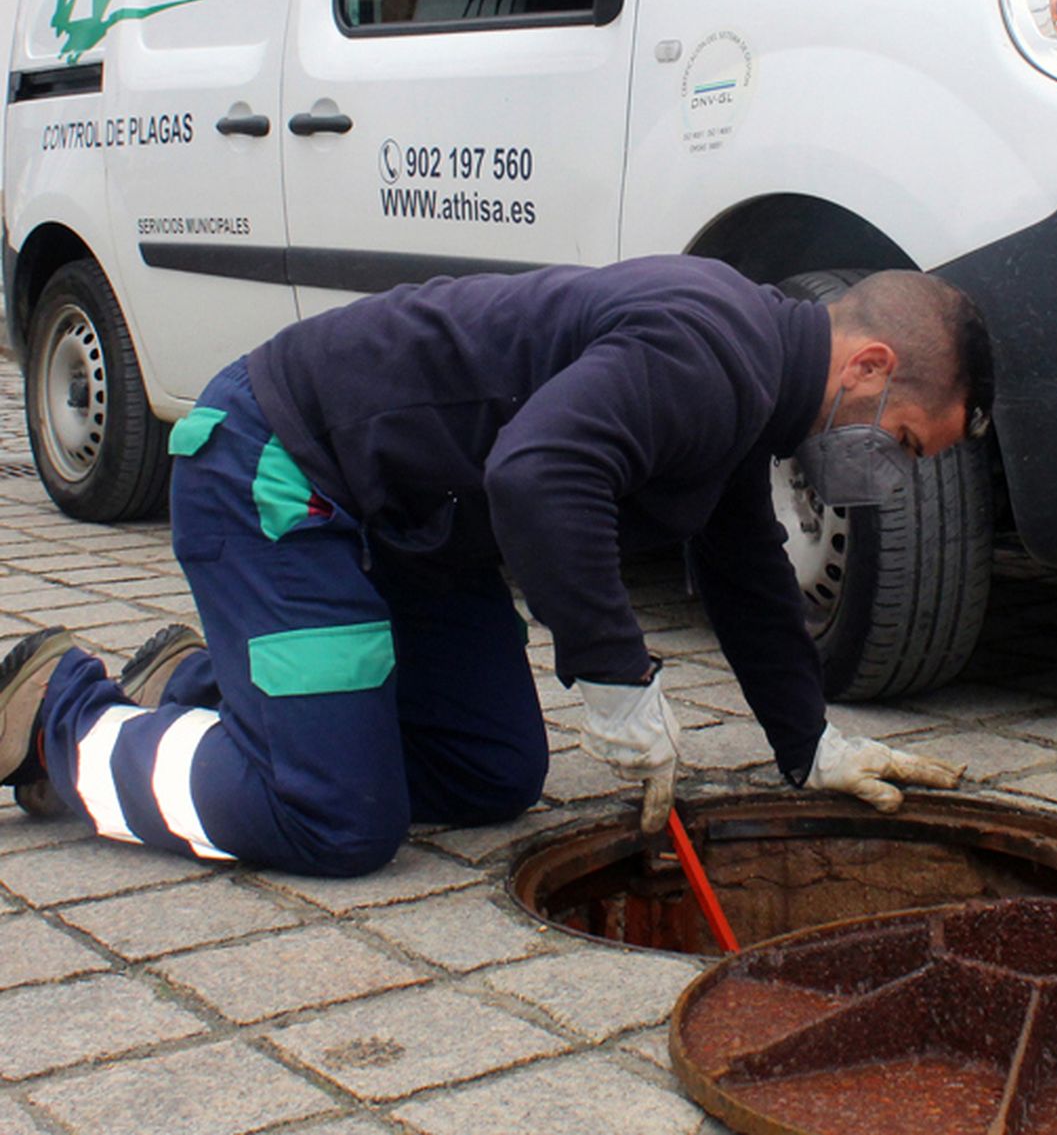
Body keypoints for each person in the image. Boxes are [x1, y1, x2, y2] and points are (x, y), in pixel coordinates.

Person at [0, 256, 992, 877]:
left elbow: (745, 573)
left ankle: (201, 682)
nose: (887, 470)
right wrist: (614, 675)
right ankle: (63, 720)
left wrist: (808, 744)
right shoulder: (712, 352)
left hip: (411, 529)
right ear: (866, 366)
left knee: (491, 770)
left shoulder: (751, 379)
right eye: (903, 441)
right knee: (334, 820)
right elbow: (536, 474)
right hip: (280, 469)